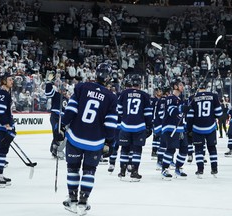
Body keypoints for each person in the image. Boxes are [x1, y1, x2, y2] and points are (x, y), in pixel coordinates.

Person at [61, 63, 118, 215]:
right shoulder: (112, 97)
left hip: (75, 137)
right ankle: (83, 202)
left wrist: (62, 126)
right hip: (95, 142)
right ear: (109, 78)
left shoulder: (82, 87)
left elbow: (71, 109)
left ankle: (72, 199)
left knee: (72, 168)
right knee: (89, 171)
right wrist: (109, 142)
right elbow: (111, 124)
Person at [117, 74, 153, 181]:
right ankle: (134, 171)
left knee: (124, 148)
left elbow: (119, 110)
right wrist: (149, 126)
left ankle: (122, 171)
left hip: (125, 126)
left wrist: (126, 118)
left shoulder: (124, 93)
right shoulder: (144, 95)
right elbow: (147, 113)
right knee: (137, 149)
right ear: (140, 84)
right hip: (139, 126)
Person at [186, 82, 223, 178]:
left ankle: (200, 169)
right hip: (210, 127)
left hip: (197, 128)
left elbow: (190, 116)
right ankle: (214, 168)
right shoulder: (214, 96)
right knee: (212, 148)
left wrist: (188, 129)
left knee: (198, 149)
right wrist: (212, 116)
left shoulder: (192, 98)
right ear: (206, 87)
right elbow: (219, 113)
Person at [161, 79, 189, 180]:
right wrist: (182, 108)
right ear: (175, 86)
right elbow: (172, 111)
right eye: (181, 85)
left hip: (180, 128)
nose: (183, 87)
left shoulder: (180, 99)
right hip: (170, 128)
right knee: (171, 149)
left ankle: (178, 167)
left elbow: (182, 115)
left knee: (185, 149)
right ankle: (164, 169)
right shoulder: (170, 98)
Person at [45, 72, 67, 159]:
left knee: (61, 134)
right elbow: (48, 93)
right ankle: (55, 150)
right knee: (58, 133)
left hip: (63, 118)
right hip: (55, 116)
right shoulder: (55, 94)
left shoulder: (67, 99)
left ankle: (54, 149)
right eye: (63, 90)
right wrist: (49, 82)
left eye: (65, 90)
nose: (64, 91)